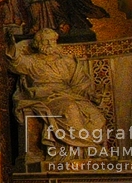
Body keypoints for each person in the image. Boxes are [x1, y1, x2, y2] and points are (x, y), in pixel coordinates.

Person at [8, 29, 107, 162]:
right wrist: (10, 45)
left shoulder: (67, 62)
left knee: (96, 116)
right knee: (69, 109)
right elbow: (15, 62)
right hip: (46, 97)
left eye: (52, 41)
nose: (49, 44)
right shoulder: (31, 61)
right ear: (37, 43)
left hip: (69, 95)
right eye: (45, 41)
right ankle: (89, 147)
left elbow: (80, 84)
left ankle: (83, 151)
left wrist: (92, 95)